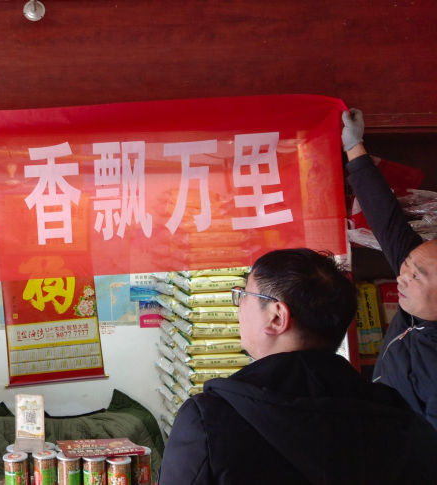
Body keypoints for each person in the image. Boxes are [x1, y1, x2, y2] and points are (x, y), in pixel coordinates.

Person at [159, 249, 437, 485]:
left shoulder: (207, 420)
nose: (239, 305)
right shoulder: (403, 420)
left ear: (277, 317)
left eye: (244, 295)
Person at [342, 109, 437, 427]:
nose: (402, 277)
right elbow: (386, 219)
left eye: (416, 275)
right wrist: (353, 146)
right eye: (406, 264)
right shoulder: (421, 270)